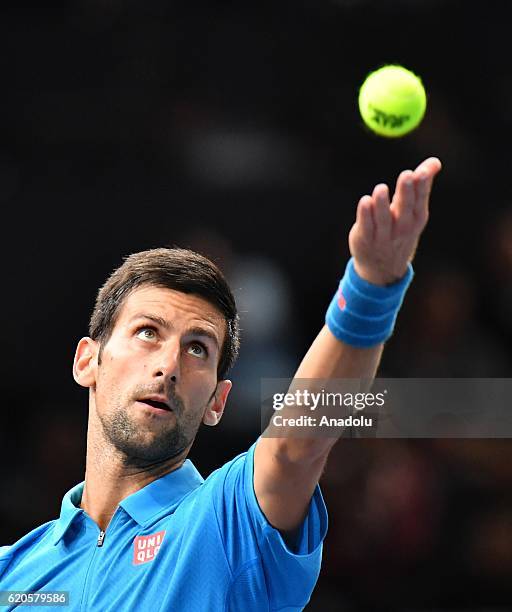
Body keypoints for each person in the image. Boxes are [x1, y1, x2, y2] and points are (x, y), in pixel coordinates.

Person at [0, 158, 442, 611]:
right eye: (148, 332)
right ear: (87, 361)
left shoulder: (225, 525)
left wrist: (371, 290)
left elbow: (296, 446)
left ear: (217, 401)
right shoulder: (13, 574)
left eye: (197, 349)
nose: (169, 366)